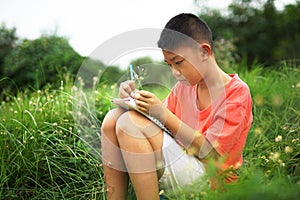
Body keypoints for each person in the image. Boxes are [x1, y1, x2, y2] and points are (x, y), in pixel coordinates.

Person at [101, 13, 253, 199]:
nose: (175, 72)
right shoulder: (184, 88)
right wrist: (134, 103)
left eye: (178, 63)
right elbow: (157, 126)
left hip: (213, 179)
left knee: (128, 124)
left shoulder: (236, 93)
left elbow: (212, 155)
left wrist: (162, 113)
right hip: (182, 164)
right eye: (169, 65)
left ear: (204, 52)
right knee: (113, 119)